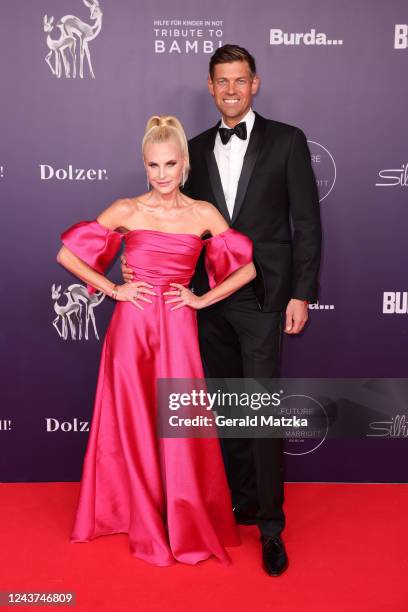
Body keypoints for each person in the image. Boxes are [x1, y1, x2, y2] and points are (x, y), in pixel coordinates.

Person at [121, 44, 323, 577]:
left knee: (258, 412)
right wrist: (132, 268)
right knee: (224, 412)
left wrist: (302, 292)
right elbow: (169, 219)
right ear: (210, 87)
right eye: (222, 82)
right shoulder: (190, 149)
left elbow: (306, 222)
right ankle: (235, 504)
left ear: (254, 84)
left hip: (262, 300)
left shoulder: (288, 141)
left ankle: (271, 528)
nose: (231, 90)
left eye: (240, 80)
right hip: (203, 304)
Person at [56, 114, 257, 567]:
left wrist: (203, 300)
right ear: (144, 165)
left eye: (169, 164)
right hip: (132, 327)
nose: (162, 175)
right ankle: (137, 513)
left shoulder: (202, 214)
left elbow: (246, 268)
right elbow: (68, 254)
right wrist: (113, 289)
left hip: (179, 328)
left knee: (180, 422)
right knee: (133, 419)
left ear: (184, 163)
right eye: (153, 166)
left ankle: (182, 514)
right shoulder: (127, 209)